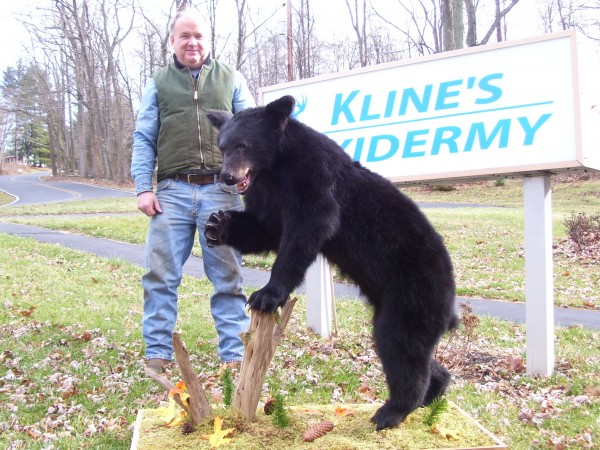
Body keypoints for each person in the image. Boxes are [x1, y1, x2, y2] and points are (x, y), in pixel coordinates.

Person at [131, 7, 253, 373]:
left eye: (199, 35)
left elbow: (251, 131)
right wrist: (143, 187)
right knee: (160, 277)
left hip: (222, 192)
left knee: (228, 278)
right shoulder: (159, 82)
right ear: (173, 40)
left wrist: (251, 173)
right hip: (171, 193)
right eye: (185, 35)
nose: (192, 42)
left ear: (208, 40)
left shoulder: (230, 77)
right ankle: (157, 354)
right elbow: (144, 137)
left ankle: (234, 356)